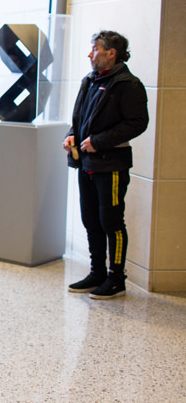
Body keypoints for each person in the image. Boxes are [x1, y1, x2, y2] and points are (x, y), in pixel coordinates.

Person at [63, 31, 148, 300]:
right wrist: (69, 135)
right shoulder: (89, 81)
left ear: (111, 52)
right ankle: (97, 272)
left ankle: (116, 278)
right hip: (86, 162)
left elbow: (137, 123)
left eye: (95, 49)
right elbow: (80, 119)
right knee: (90, 219)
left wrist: (98, 142)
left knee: (111, 220)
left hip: (110, 164)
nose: (91, 54)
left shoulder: (127, 84)